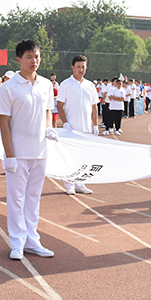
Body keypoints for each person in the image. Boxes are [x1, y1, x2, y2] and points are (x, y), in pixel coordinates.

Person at [0, 39, 57, 260]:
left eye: (37, 56)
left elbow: (49, 112)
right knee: (16, 199)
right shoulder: (8, 87)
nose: (35, 61)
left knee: (33, 198)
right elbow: (3, 123)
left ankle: (33, 240)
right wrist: (9, 156)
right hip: (18, 153)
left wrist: (49, 128)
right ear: (19, 60)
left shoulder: (46, 85)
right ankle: (17, 242)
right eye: (30, 57)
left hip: (40, 151)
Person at [57, 55, 98, 195]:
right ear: (72, 67)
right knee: (70, 156)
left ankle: (80, 183)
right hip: (72, 128)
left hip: (86, 129)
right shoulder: (65, 84)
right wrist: (66, 123)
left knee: (84, 157)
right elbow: (59, 105)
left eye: (83, 67)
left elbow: (94, 106)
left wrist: (95, 125)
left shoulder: (90, 85)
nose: (81, 69)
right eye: (78, 66)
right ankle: (69, 184)